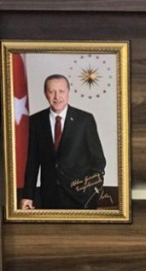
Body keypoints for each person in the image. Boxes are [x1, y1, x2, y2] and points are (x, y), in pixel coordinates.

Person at [19, 74, 106, 210]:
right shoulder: (36, 121)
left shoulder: (85, 120)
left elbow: (98, 161)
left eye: (61, 91)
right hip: (49, 197)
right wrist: (27, 196)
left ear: (68, 92)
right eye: (51, 91)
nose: (57, 96)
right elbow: (32, 162)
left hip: (81, 199)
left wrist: (89, 192)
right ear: (45, 94)